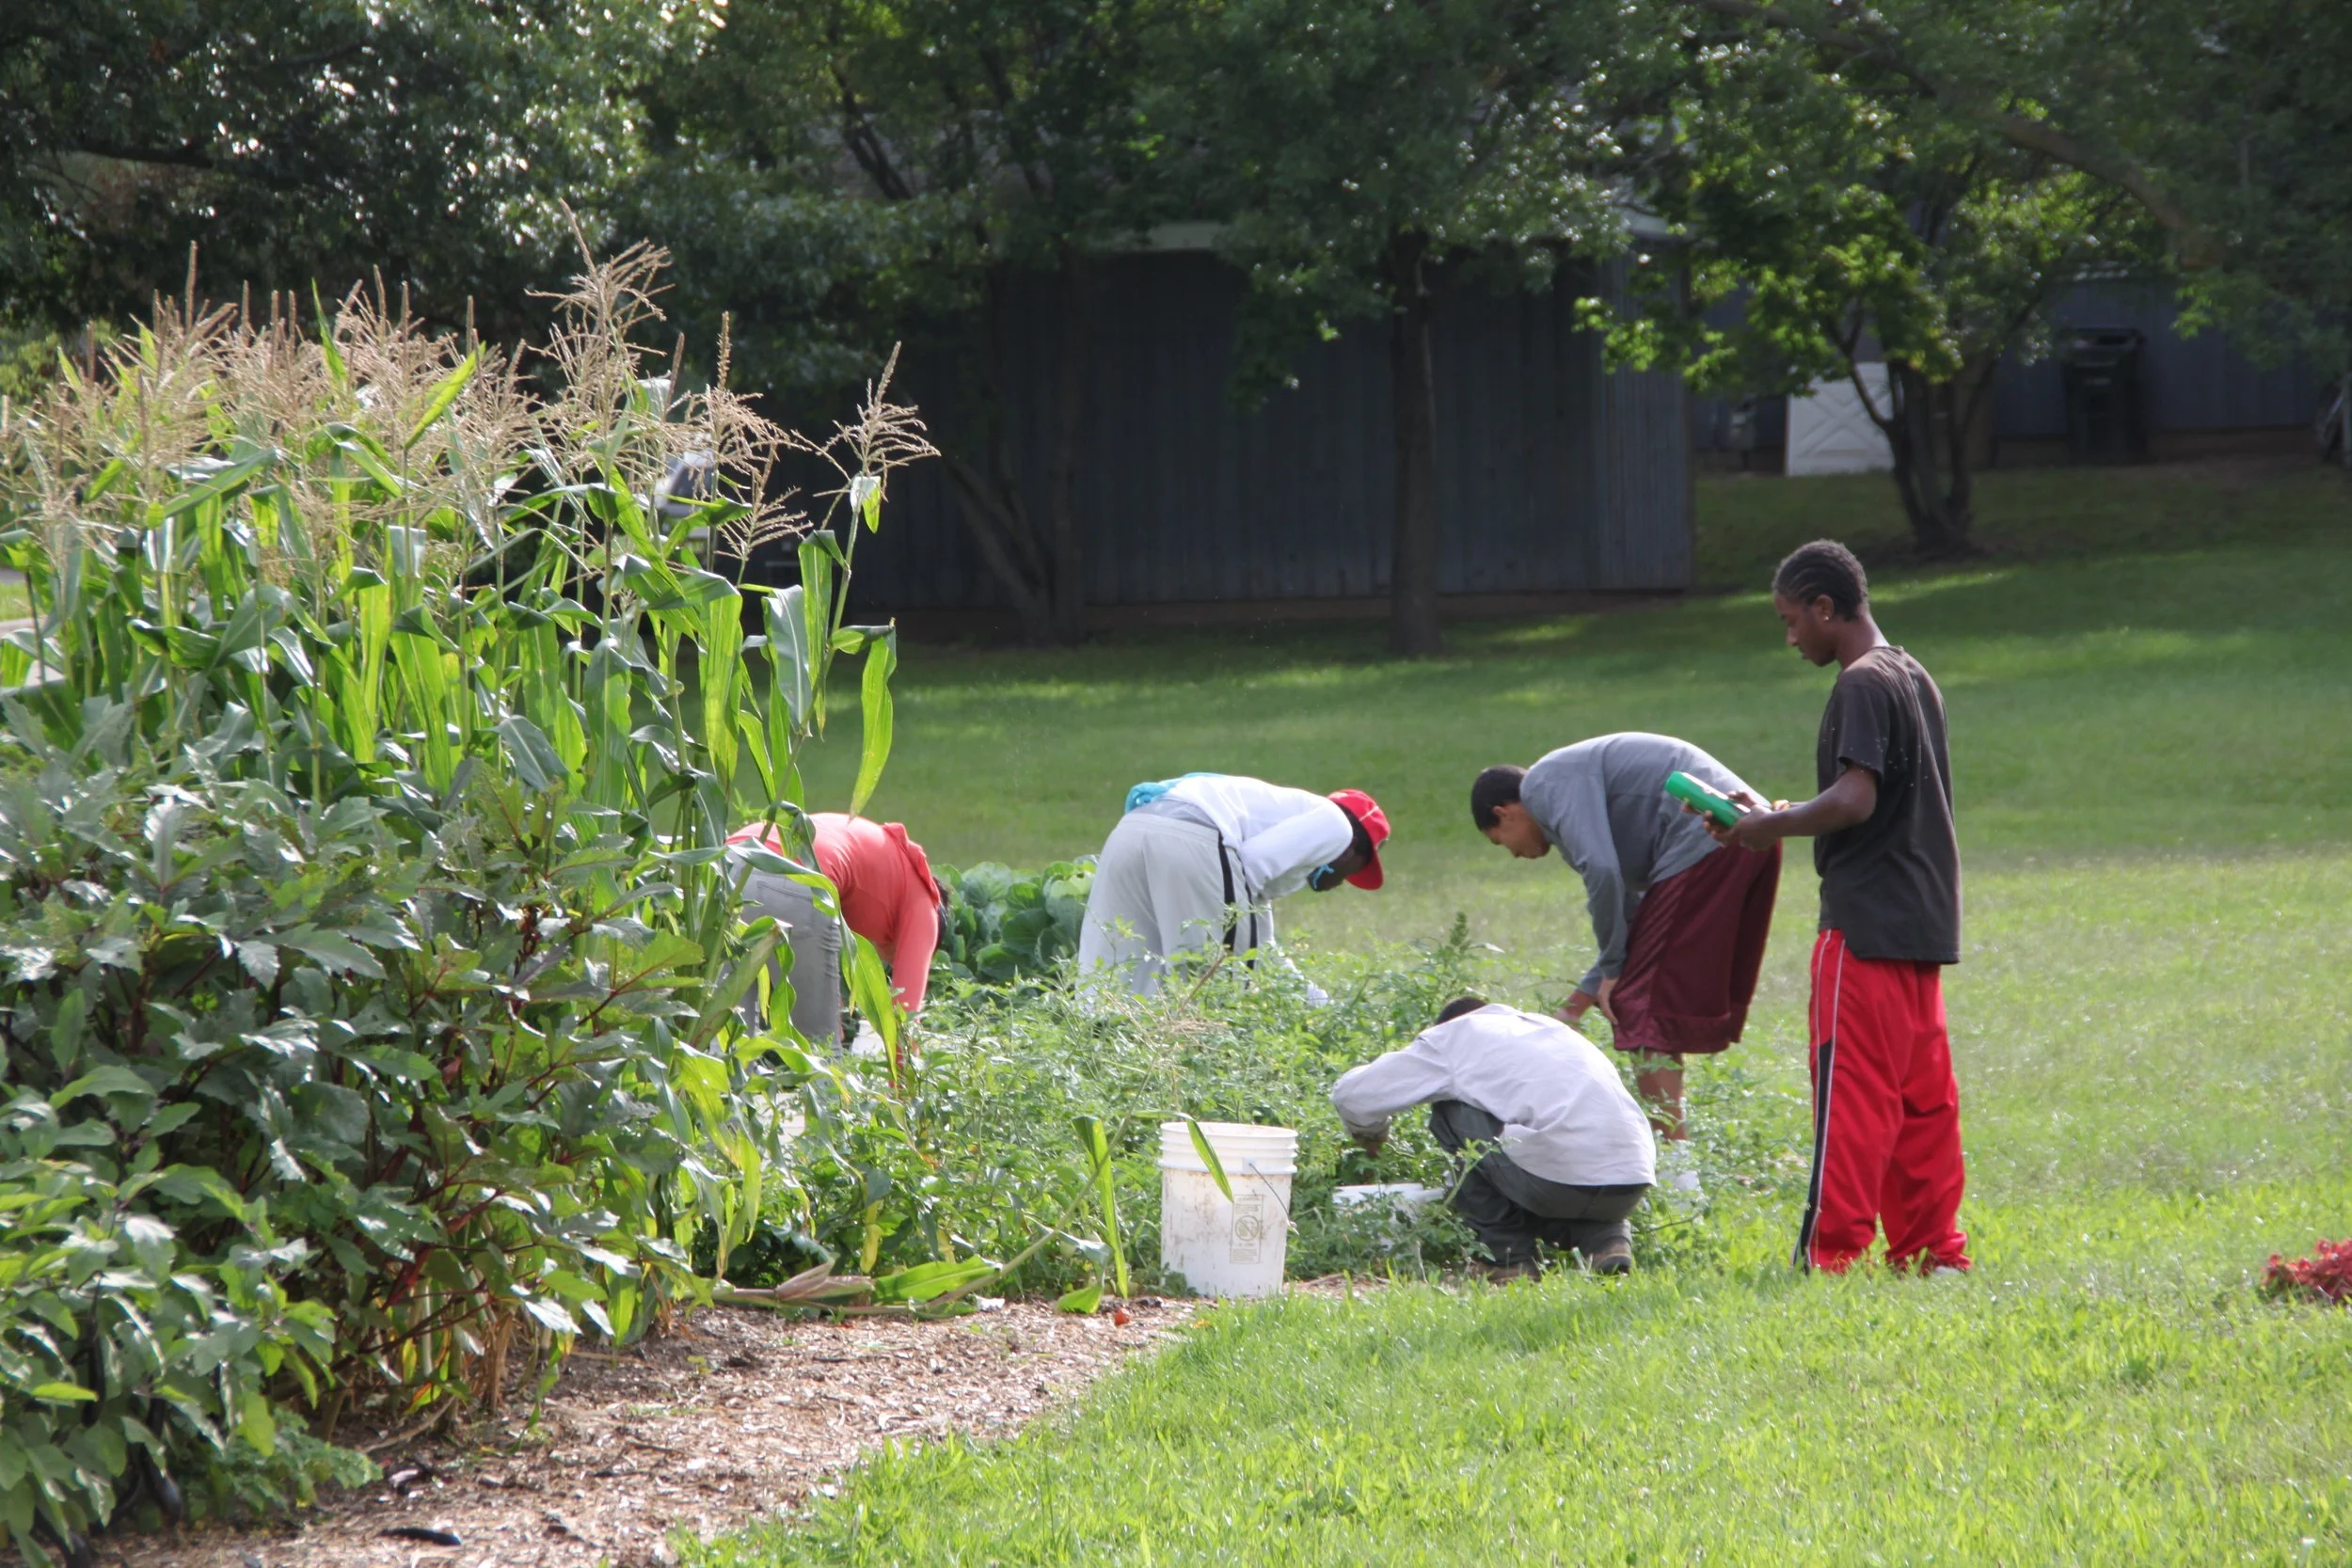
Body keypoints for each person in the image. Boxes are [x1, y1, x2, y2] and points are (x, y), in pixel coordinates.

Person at [1702, 539, 1970, 1275]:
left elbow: (1857, 799)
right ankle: (1932, 1252)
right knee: (1923, 1107)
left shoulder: (1858, 684)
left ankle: (1831, 1257)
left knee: (1851, 1101)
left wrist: (1764, 828)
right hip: (1922, 924)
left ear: (1826, 607)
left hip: (1861, 925)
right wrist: (1780, 810)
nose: (1791, 638)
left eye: (1793, 620)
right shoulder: (1913, 676)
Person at [1470, 736, 1781, 1153]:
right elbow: (1636, 919)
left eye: (1498, 840)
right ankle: (1677, 1157)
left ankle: (1676, 1171)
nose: (1511, 853)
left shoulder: (1543, 786)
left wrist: (1616, 971)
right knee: (1642, 993)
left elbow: (1602, 873)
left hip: (1711, 838)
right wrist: (1577, 1004)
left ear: (1503, 812)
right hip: (1752, 833)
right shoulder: (1566, 803)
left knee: (1639, 1005)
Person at [1330, 996, 1656, 1276]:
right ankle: (1606, 1240)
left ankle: (1505, 1257)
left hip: (1556, 1181)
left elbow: (1352, 1096)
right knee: (1546, 1145)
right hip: (1632, 1181)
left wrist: (1371, 1137)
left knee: (1450, 1112)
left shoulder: (1453, 1037)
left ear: (1443, 1026)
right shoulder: (1548, 1031)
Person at [1075, 773, 1389, 996]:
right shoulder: (1336, 826)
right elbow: (1244, 876)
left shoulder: (1263, 820)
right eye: (1353, 871)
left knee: (1116, 973)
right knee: (1217, 984)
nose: (1341, 883)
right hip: (1192, 835)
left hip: (1132, 831)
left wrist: (1325, 1006)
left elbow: (1262, 949)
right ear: (1349, 851)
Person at [726, 813, 944, 1046]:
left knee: (730, 1048)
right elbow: (905, 1019)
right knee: (820, 1051)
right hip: (792, 876)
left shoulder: (886, 863)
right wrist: (905, 1080)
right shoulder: (926, 904)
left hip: (727, 862)